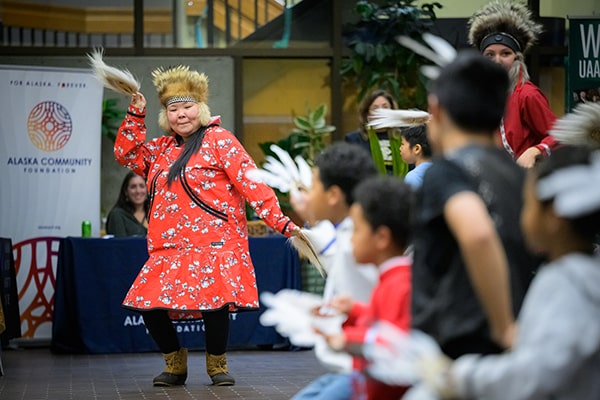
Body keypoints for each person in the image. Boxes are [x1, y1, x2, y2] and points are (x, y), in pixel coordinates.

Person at [113, 64, 299, 387]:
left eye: (187, 107)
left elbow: (253, 183)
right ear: (165, 114)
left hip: (215, 244)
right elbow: (125, 153)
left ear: (200, 108)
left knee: (215, 305)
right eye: (173, 109)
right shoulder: (159, 150)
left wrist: (282, 223)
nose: (180, 114)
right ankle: (175, 361)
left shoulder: (220, 141)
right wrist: (136, 113)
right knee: (148, 304)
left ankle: (217, 364)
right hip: (168, 248)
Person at [412, 146, 600, 400]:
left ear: (554, 218)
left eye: (528, 204)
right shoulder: (576, 275)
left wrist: (462, 376)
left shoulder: (568, 285)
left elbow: (536, 372)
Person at [412, 51, 538, 360]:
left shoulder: (446, 171)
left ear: (436, 110)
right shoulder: (516, 174)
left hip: (459, 350)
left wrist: (502, 325)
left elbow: (477, 234)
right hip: (506, 351)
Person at [308, 175, 414, 400]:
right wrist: (354, 310)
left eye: (356, 230)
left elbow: (399, 342)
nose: (351, 240)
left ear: (382, 238)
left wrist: (349, 339)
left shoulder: (400, 283)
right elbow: (385, 323)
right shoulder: (392, 278)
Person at [289, 142, 379, 399]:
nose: (308, 192)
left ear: (334, 195)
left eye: (314, 185)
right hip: (352, 368)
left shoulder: (357, 242)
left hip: (364, 371)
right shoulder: (351, 231)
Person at [468, 0, 558, 168]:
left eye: (505, 53)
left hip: (524, 183)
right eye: (490, 54)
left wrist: (535, 150)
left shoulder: (527, 95)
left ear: (517, 58)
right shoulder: (479, 96)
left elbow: (559, 135)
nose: (497, 60)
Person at [345, 89, 397, 173]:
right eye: (375, 108)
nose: (381, 111)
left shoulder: (403, 138)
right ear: (367, 113)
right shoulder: (354, 139)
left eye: (385, 107)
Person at [105, 171, 149, 237]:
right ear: (126, 191)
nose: (138, 191)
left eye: (142, 186)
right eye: (133, 187)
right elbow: (119, 245)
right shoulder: (117, 215)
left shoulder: (154, 214)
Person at [399, 124, 432, 189]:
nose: (400, 148)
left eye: (403, 144)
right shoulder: (441, 169)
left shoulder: (413, 177)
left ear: (417, 149)